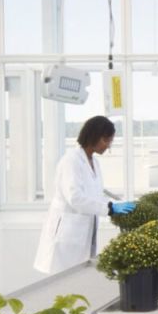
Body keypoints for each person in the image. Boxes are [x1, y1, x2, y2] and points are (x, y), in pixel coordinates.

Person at [35, 114, 133, 276]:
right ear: (93, 136)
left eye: (110, 141)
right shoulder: (71, 161)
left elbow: (96, 195)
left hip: (83, 233)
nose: (108, 146)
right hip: (66, 235)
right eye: (106, 140)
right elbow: (75, 198)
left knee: (79, 280)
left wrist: (114, 204)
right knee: (63, 283)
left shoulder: (94, 162)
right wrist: (109, 208)